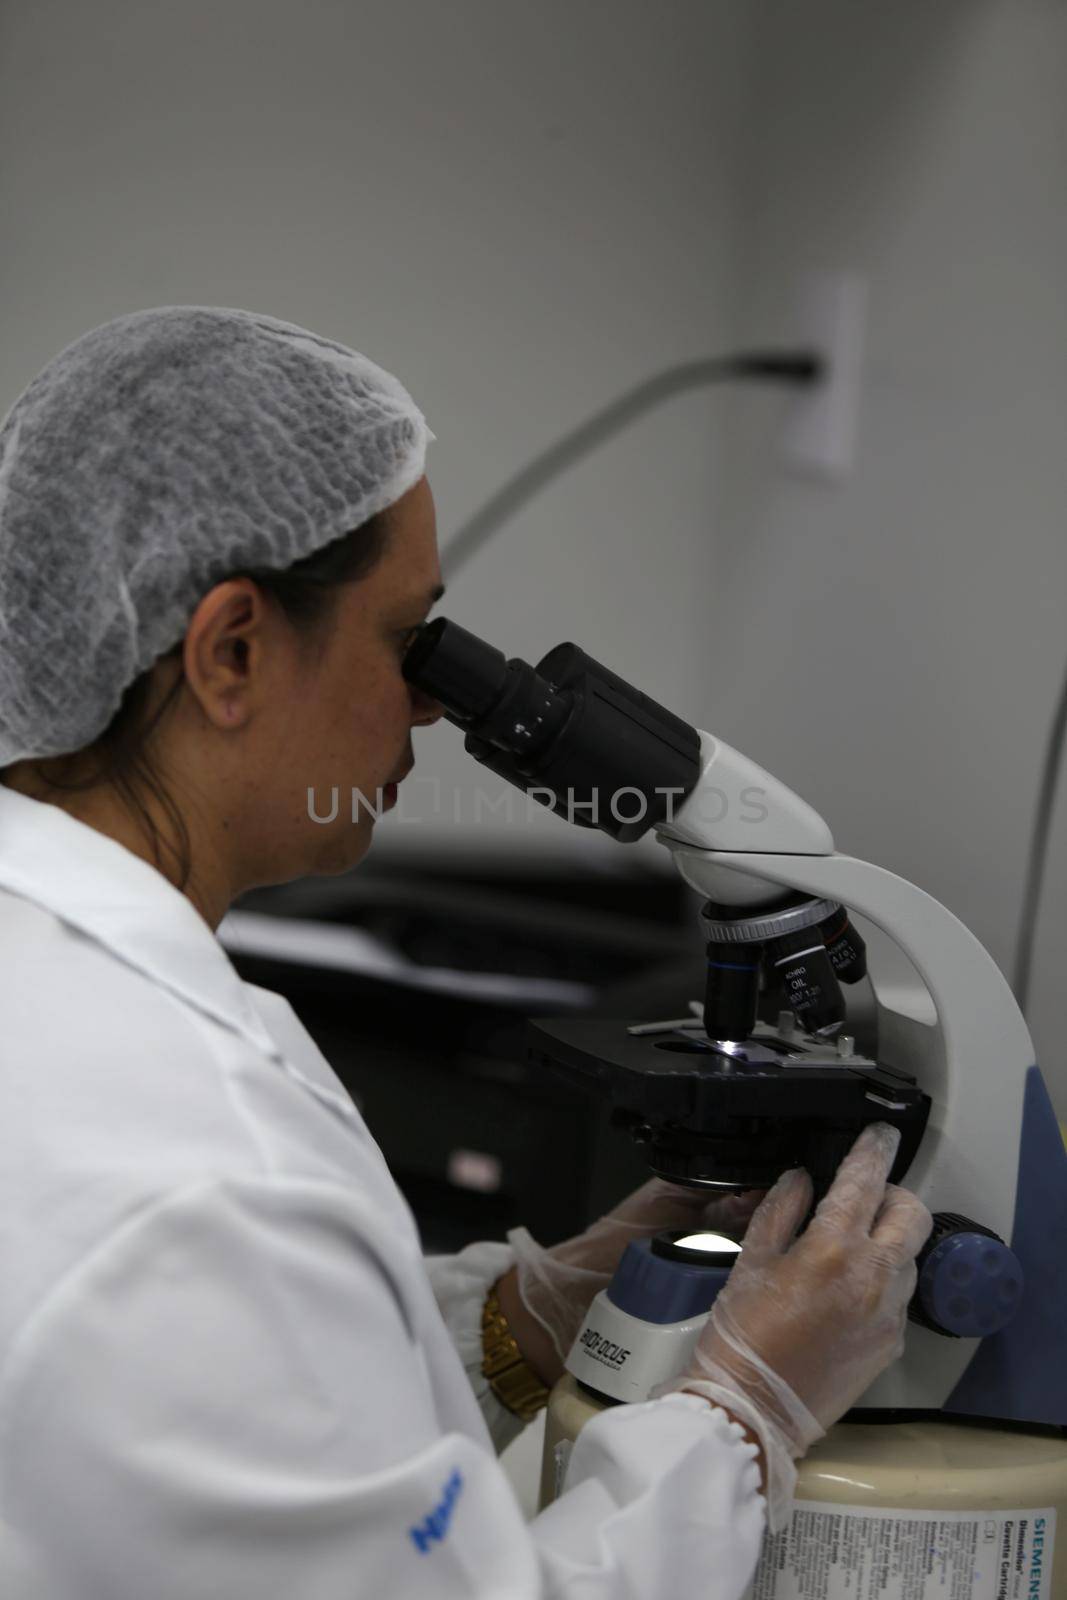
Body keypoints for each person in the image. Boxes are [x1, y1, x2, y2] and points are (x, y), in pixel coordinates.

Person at [0, 307, 933, 1599]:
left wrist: (526, 1315)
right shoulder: (204, 1176)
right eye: (406, 639)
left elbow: (265, 1405)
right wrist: (742, 1416)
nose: (437, 704)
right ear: (230, 652)